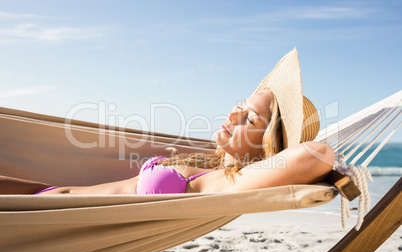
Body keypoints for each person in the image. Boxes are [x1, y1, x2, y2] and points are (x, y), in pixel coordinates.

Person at [0, 48, 334, 195]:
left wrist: (270, 159)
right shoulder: (209, 161)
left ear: (267, 146)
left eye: (249, 117)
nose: (232, 115)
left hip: (50, 217)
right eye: (239, 105)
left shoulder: (229, 183)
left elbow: (316, 154)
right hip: (44, 194)